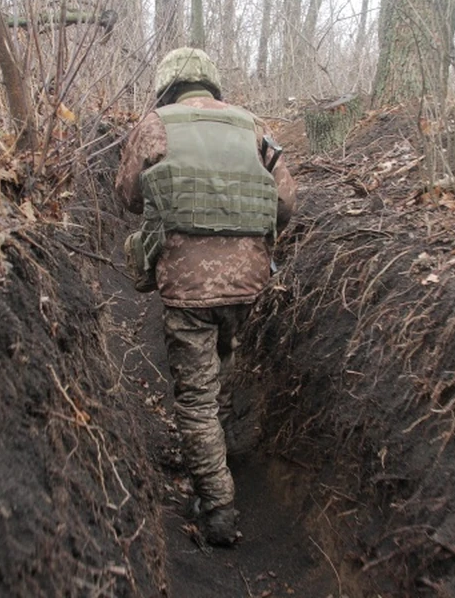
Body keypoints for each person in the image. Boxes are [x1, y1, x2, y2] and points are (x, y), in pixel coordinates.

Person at [116, 47, 296, 546]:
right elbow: (285, 206)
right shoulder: (252, 125)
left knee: (194, 397)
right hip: (248, 283)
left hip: (188, 285)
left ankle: (216, 505)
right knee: (225, 355)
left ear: (168, 85)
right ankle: (220, 444)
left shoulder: (154, 124)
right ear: (212, 84)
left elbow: (128, 197)